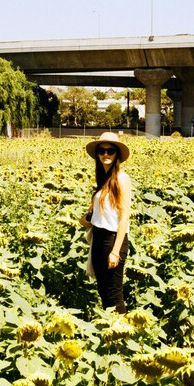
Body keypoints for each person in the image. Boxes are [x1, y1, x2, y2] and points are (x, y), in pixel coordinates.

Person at [79, 132, 131, 314]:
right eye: (102, 151)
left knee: (114, 294)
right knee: (103, 291)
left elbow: (124, 217)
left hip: (113, 240)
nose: (106, 154)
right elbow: (92, 218)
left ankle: (121, 335)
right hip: (99, 239)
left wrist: (115, 252)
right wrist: (85, 218)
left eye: (110, 151)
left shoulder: (122, 179)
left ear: (117, 154)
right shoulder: (103, 181)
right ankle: (110, 332)